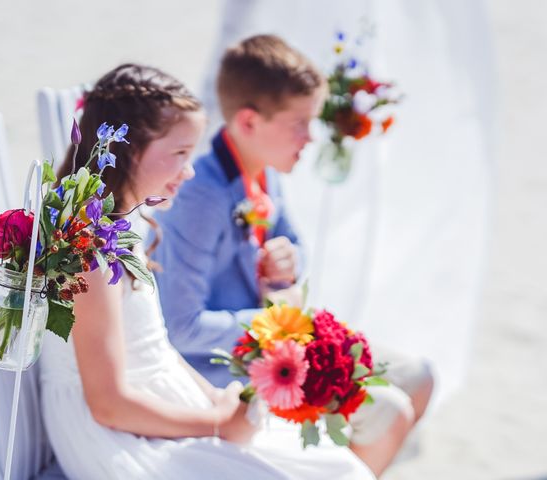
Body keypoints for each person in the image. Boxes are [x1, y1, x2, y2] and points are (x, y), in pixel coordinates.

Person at [39, 63, 375, 479]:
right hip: (119, 437)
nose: (190, 170)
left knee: (337, 465)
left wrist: (216, 401)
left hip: (161, 406)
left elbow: (155, 348)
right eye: (179, 154)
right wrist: (216, 425)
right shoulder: (89, 252)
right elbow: (107, 404)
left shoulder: (122, 226)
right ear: (128, 151)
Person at [152, 35, 433, 476]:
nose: (310, 136)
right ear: (249, 122)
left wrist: (288, 260)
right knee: (389, 411)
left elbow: (292, 243)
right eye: (300, 123)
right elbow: (181, 326)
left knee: (419, 376)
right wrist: (280, 327)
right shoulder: (201, 197)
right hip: (222, 368)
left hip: (275, 340)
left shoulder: (263, 168)